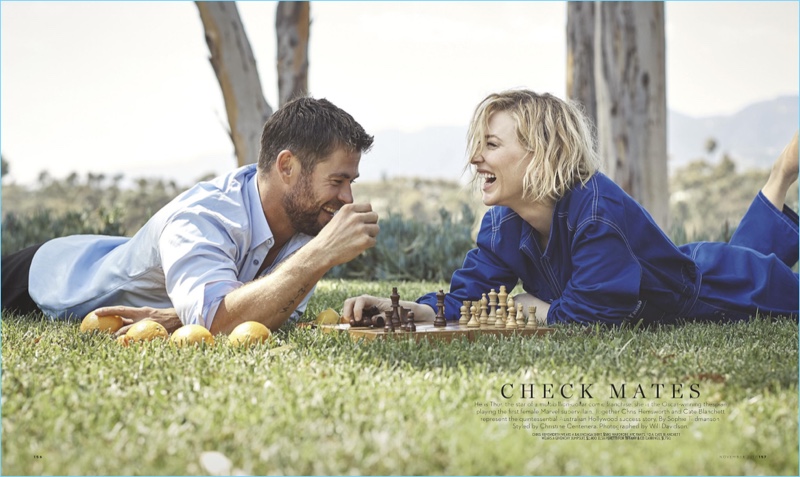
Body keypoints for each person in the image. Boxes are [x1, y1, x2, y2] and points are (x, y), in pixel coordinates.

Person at [343, 89, 799, 326]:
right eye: (477, 145)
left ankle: (780, 173)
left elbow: (595, 316)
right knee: (746, 252)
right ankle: (781, 175)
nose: (475, 158)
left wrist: (529, 306)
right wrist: (410, 310)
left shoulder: (596, 211)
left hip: (720, 290)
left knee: (762, 275)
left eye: (492, 144)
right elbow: (468, 298)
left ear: (541, 155)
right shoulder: (502, 223)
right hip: (686, 263)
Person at [2, 97, 379, 335]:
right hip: (45, 280)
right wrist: (321, 255)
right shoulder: (203, 216)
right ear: (287, 167)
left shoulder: (307, 223)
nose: (347, 198)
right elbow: (220, 325)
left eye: (352, 181)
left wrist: (177, 316)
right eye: (337, 180)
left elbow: (269, 311)